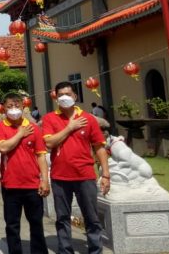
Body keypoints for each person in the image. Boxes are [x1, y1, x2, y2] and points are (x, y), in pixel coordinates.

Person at [42, 82, 111, 254]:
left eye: (68, 94)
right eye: (60, 95)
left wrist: (106, 174)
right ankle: (65, 250)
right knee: (62, 218)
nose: (64, 97)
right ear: (56, 98)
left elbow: (99, 147)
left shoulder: (88, 119)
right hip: (60, 177)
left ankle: (95, 250)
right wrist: (70, 127)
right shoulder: (50, 118)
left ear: (75, 96)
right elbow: (49, 142)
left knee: (92, 217)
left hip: (85, 175)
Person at [0, 92, 49, 254]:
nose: (14, 109)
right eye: (9, 106)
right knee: (12, 225)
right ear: (3, 109)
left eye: (17, 106)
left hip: (32, 184)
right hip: (11, 185)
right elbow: (3, 147)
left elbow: (41, 156)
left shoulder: (34, 129)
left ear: (23, 107)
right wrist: (20, 134)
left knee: (36, 223)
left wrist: (45, 180)